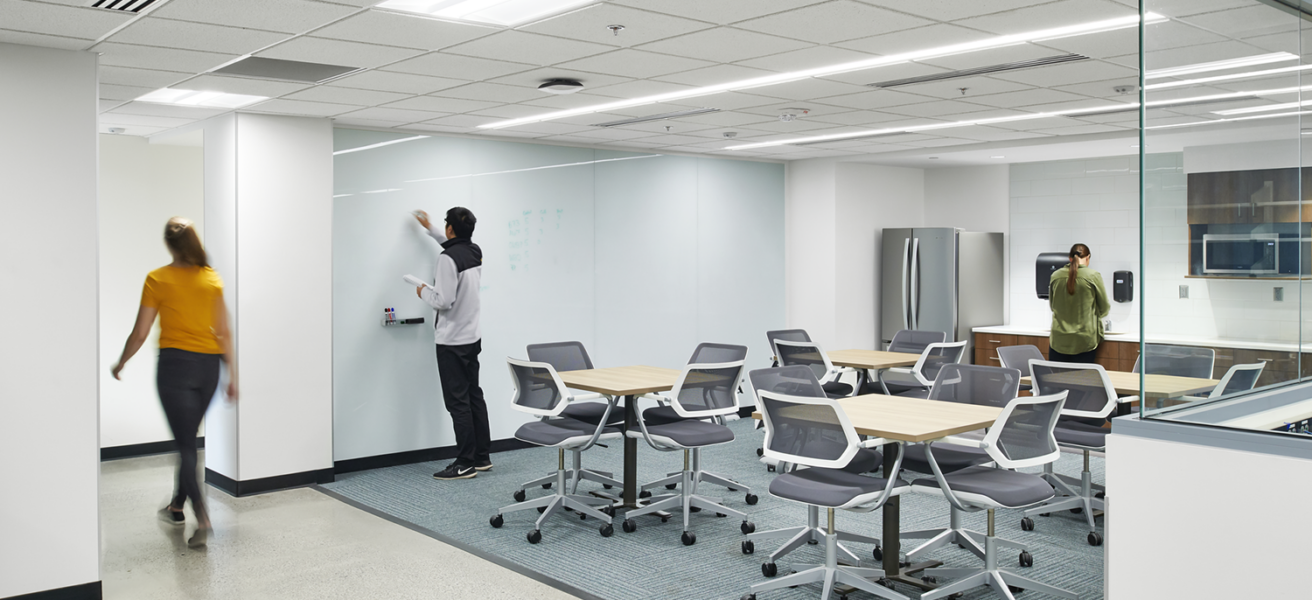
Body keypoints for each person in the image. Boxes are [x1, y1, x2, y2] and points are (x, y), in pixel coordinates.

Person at [111, 217, 237, 548]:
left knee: (185, 445)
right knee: (188, 439)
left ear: (169, 244)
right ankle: (176, 505)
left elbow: (140, 332)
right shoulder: (211, 278)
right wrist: (232, 376)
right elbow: (224, 332)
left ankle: (204, 518)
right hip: (209, 368)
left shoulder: (158, 279)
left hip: (175, 368)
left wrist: (121, 361)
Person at [414, 207, 488, 480]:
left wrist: (423, 291)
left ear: (451, 229)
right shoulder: (474, 251)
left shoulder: (447, 259)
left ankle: (464, 462)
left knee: (457, 402)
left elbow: (443, 301)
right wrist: (430, 228)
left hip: (451, 341)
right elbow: (453, 246)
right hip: (471, 337)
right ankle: (481, 457)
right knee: (473, 396)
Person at [1048, 243, 1110, 364]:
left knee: (1057, 381)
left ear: (1070, 258)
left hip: (1059, 341)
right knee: (1081, 381)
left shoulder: (1055, 276)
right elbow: (1104, 308)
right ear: (1088, 257)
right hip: (1084, 341)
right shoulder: (1093, 276)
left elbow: (1052, 306)